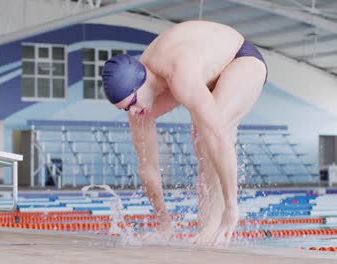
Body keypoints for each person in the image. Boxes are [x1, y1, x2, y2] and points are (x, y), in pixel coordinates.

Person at [101, 20, 267, 246]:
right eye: (124, 108)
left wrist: (231, 205)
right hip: (205, 74)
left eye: (132, 102)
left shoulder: (180, 73)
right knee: (201, 139)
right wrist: (164, 222)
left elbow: (218, 137)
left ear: (142, 81)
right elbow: (147, 167)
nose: (132, 111)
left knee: (210, 132)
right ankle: (206, 222)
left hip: (241, 60)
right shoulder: (138, 105)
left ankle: (218, 221)